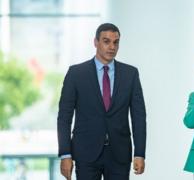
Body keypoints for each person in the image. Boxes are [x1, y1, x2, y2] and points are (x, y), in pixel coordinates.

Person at [57, 23, 146, 180]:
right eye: (106, 41)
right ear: (95, 42)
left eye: (116, 42)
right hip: (86, 153)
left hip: (119, 154)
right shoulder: (76, 74)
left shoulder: (130, 74)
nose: (112, 47)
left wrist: (139, 153)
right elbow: (64, 117)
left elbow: (139, 116)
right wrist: (65, 154)